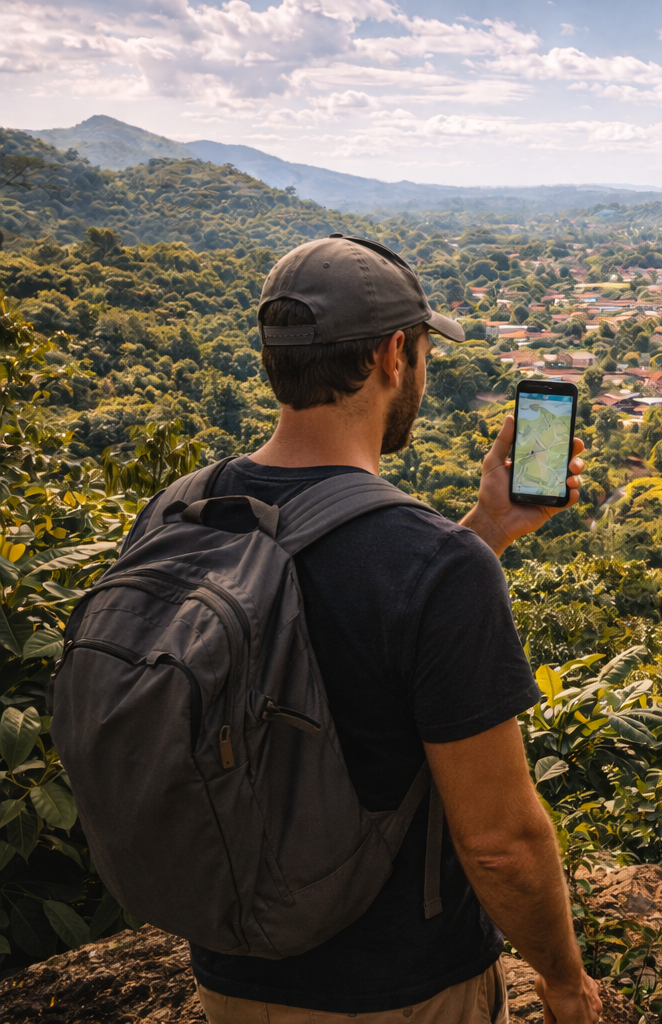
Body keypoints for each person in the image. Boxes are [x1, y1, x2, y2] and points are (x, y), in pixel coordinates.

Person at [126, 234, 602, 1024]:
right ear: (392, 355)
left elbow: (328, 620)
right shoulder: (433, 566)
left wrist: (488, 525)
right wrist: (562, 982)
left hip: (230, 977)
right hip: (401, 993)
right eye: (421, 350)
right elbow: (499, 843)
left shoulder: (182, 507)